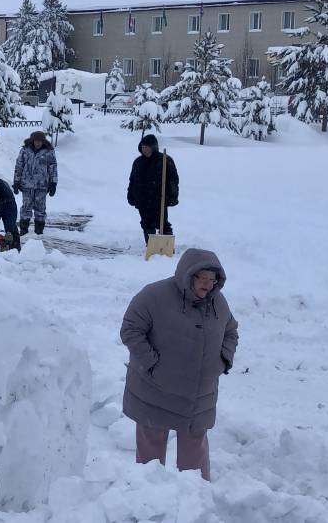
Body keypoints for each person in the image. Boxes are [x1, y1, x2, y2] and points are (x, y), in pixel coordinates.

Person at [120, 248, 238, 482]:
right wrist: (153, 364)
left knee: (194, 452)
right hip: (155, 390)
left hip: (198, 396)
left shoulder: (218, 303)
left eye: (212, 280)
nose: (207, 285)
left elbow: (231, 331)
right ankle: (147, 496)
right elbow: (130, 329)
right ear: (187, 275)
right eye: (202, 278)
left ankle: (196, 498)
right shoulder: (154, 296)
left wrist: (222, 360)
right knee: (150, 452)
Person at [127, 134, 179, 244]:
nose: (144, 149)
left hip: (159, 199)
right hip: (142, 199)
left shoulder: (165, 160)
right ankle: (151, 246)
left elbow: (173, 180)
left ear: (153, 147)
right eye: (143, 147)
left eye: (147, 147)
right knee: (146, 223)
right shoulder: (138, 162)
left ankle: (166, 246)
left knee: (162, 223)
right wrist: (131, 195)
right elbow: (133, 181)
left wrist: (173, 196)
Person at [13, 130, 57, 236]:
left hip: (42, 186)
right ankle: (23, 230)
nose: (37, 143)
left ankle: (39, 231)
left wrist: (53, 183)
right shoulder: (24, 150)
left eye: (40, 141)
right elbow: (19, 166)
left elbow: (53, 167)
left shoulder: (49, 151)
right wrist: (16, 181)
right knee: (26, 207)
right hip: (26, 185)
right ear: (32, 141)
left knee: (40, 209)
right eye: (36, 141)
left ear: (43, 141)